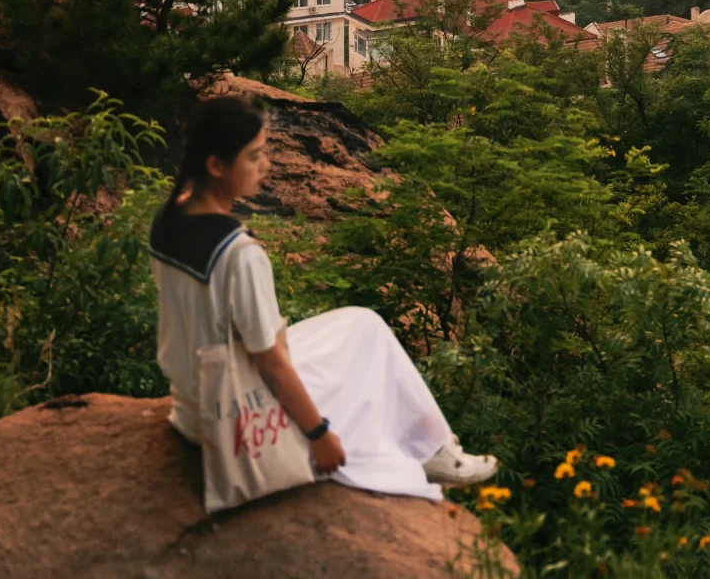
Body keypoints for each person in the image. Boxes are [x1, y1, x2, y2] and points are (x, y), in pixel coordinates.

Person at [149, 97, 498, 500]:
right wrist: (318, 435)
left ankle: (434, 448)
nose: (266, 167)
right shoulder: (238, 254)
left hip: (191, 401)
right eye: (254, 156)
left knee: (364, 325)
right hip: (234, 409)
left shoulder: (168, 219)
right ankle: (428, 451)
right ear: (215, 166)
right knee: (359, 372)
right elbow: (272, 364)